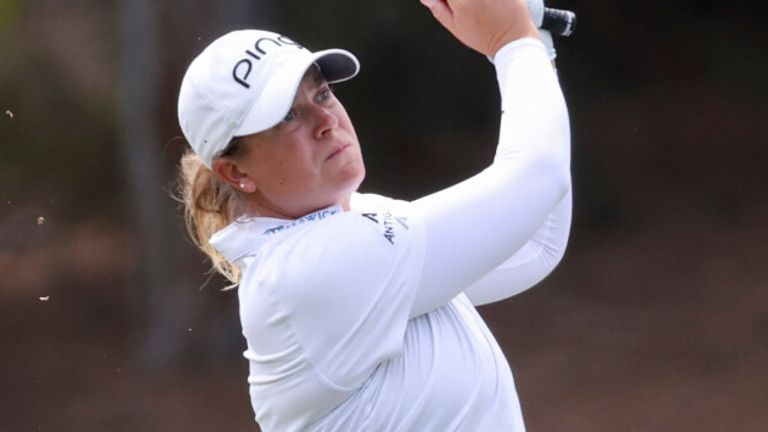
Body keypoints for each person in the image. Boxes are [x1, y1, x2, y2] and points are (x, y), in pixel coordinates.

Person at [176, 0, 571, 430]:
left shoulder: (356, 222)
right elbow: (536, 181)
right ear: (237, 172)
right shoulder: (308, 270)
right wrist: (512, 42)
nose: (326, 119)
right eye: (288, 116)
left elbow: (534, 242)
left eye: (322, 92)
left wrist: (534, 43)